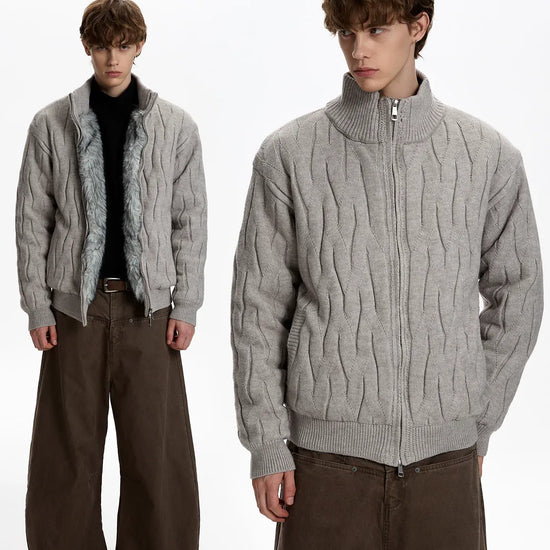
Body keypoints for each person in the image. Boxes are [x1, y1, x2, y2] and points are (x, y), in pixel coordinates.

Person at [230, 1, 543, 548]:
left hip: (445, 464)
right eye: (346, 32)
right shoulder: (288, 156)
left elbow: (519, 294)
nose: (359, 50)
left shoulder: (488, 157)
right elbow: (257, 309)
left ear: (418, 27)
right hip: (324, 464)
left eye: (376, 29)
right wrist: (266, 442)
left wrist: (477, 422)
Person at [15, 0, 207, 548]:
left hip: (151, 313)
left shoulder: (176, 127)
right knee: (66, 458)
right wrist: (37, 304)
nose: (112, 58)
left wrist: (186, 304)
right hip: (73, 312)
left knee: (157, 458)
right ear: (87, 47)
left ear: (139, 45)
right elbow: (32, 220)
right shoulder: (50, 124)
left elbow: (190, 221)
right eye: (102, 46)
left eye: (123, 45)